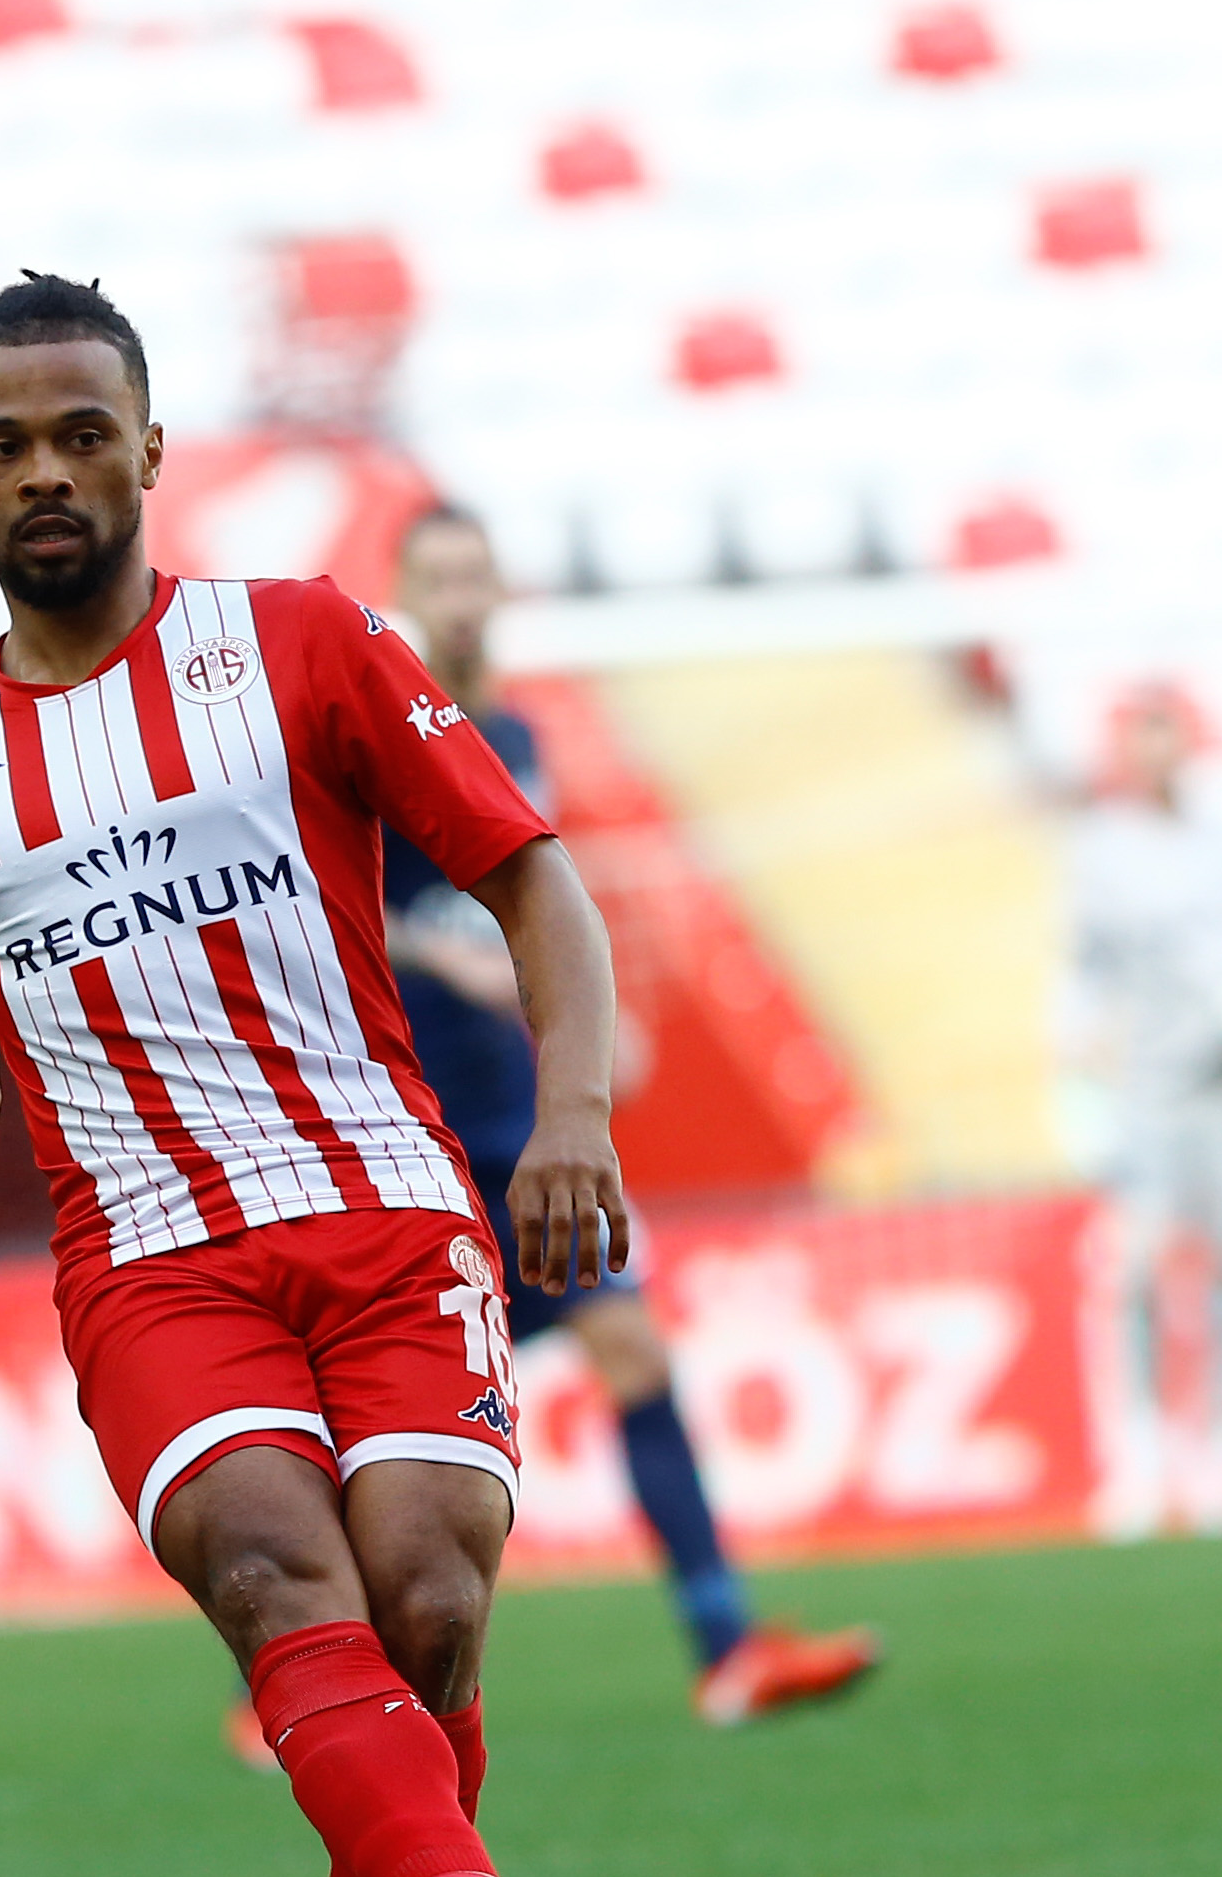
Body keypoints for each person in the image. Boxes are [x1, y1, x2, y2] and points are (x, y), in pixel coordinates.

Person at [0, 274, 621, 1877]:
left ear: (150, 451)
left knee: (426, 1604)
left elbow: (530, 876)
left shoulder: (306, 643)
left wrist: (575, 1114)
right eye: (5, 442)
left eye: (83, 433)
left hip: (386, 1200)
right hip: (154, 1262)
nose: (48, 470)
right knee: (273, 1577)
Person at [354, 504, 881, 1721]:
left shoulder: (514, 736)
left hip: (519, 1115)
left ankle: (726, 1646)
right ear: (404, 593)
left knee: (632, 1348)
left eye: (477, 574)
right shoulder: (372, 730)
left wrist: (582, 1017)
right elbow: (323, 896)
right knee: (382, 1416)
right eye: (439, 576)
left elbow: (531, 893)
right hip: (409, 1126)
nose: (462, 596)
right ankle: (278, 1670)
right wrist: (444, 959)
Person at [1064, 682, 1222, 1541]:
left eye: (1169, 736)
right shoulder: (1101, 852)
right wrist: (1082, 1082)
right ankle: (1142, 1449)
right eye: (1142, 738)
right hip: (1146, 1083)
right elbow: (1083, 970)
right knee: (1140, 1262)